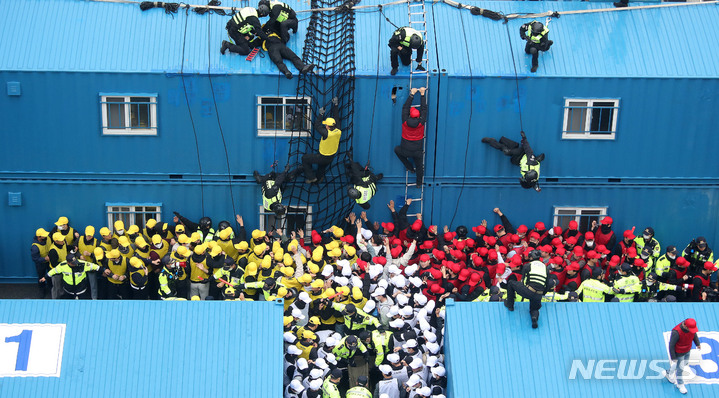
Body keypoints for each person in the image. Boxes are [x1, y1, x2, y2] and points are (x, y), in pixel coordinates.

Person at [504, 257, 552, 328]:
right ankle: (534, 317)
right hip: (539, 294)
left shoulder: (528, 265)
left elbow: (523, 280)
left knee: (511, 283)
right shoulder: (545, 268)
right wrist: (542, 294)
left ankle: (510, 305)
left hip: (529, 291)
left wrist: (524, 289)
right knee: (534, 309)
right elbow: (547, 284)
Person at [303, 97, 341, 184]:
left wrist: (320, 114)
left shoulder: (326, 133)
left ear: (328, 126)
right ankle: (319, 178)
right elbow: (337, 117)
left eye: (326, 125)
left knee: (304, 159)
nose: (325, 126)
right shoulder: (338, 130)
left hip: (323, 156)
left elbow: (317, 126)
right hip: (331, 157)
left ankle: (311, 178)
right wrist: (336, 105)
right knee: (321, 167)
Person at [395, 87, 427, 188]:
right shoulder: (421, 123)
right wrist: (422, 94)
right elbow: (424, 109)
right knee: (419, 166)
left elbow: (405, 108)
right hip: (417, 151)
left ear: (410, 115)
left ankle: (409, 167)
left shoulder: (405, 121)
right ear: (418, 117)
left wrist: (411, 94)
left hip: (405, 150)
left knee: (396, 150)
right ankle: (419, 183)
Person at [663, 318, 701, 394]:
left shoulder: (690, 329)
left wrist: (698, 344)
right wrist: (673, 357)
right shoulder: (676, 332)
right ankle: (680, 384)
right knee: (680, 369)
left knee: (685, 363)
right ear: (685, 326)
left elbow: (694, 335)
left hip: (687, 350)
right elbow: (671, 345)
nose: (691, 330)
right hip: (679, 353)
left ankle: (668, 372)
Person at [31, 228, 51, 298]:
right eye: (44, 236)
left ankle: (51, 287)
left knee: (50, 275)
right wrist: (44, 259)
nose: (46, 236)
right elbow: (35, 259)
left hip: (49, 262)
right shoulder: (35, 247)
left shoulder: (47, 238)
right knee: (41, 276)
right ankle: (42, 289)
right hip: (41, 264)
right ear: (39, 237)